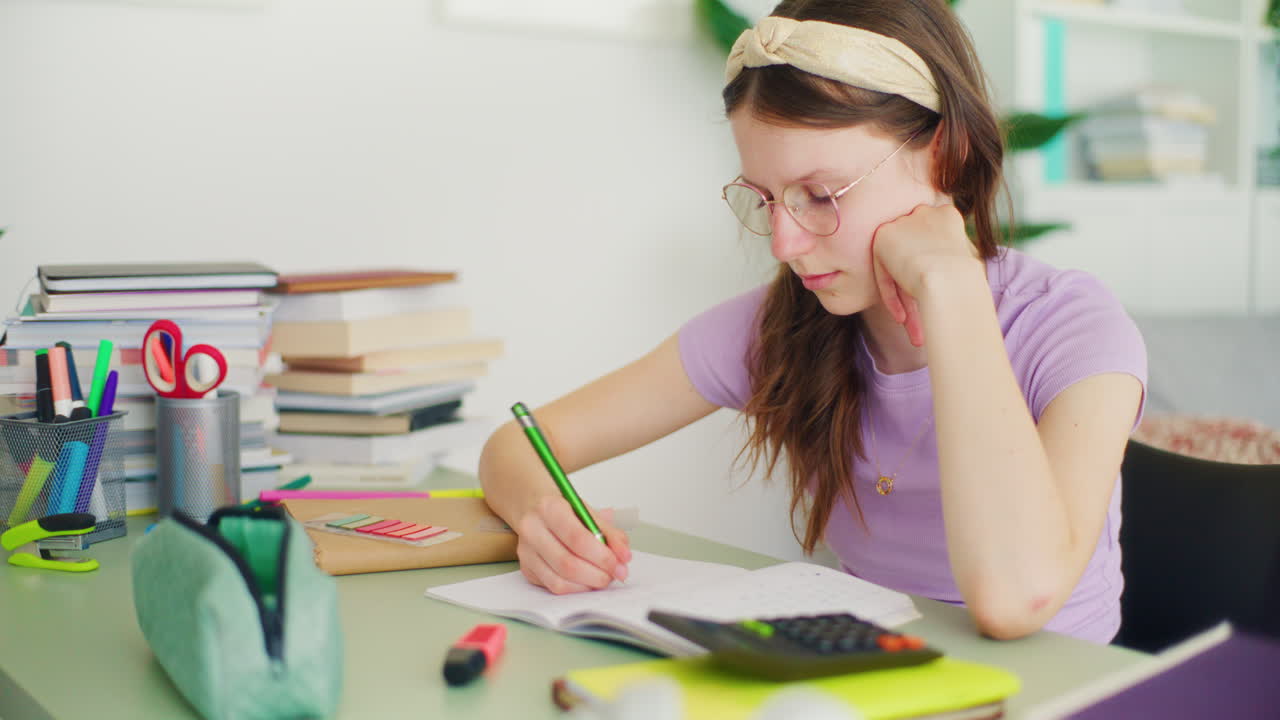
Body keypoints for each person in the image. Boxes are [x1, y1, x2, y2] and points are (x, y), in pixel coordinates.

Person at [479, 0, 1146, 643]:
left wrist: (951, 288)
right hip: (874, 676)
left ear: (942, 154)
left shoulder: (1074, 327)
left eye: (821, 196)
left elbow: (1015, 600)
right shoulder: (785, 328)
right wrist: (545, 518)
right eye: (765, 199)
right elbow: (519, 442)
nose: (784, 244)